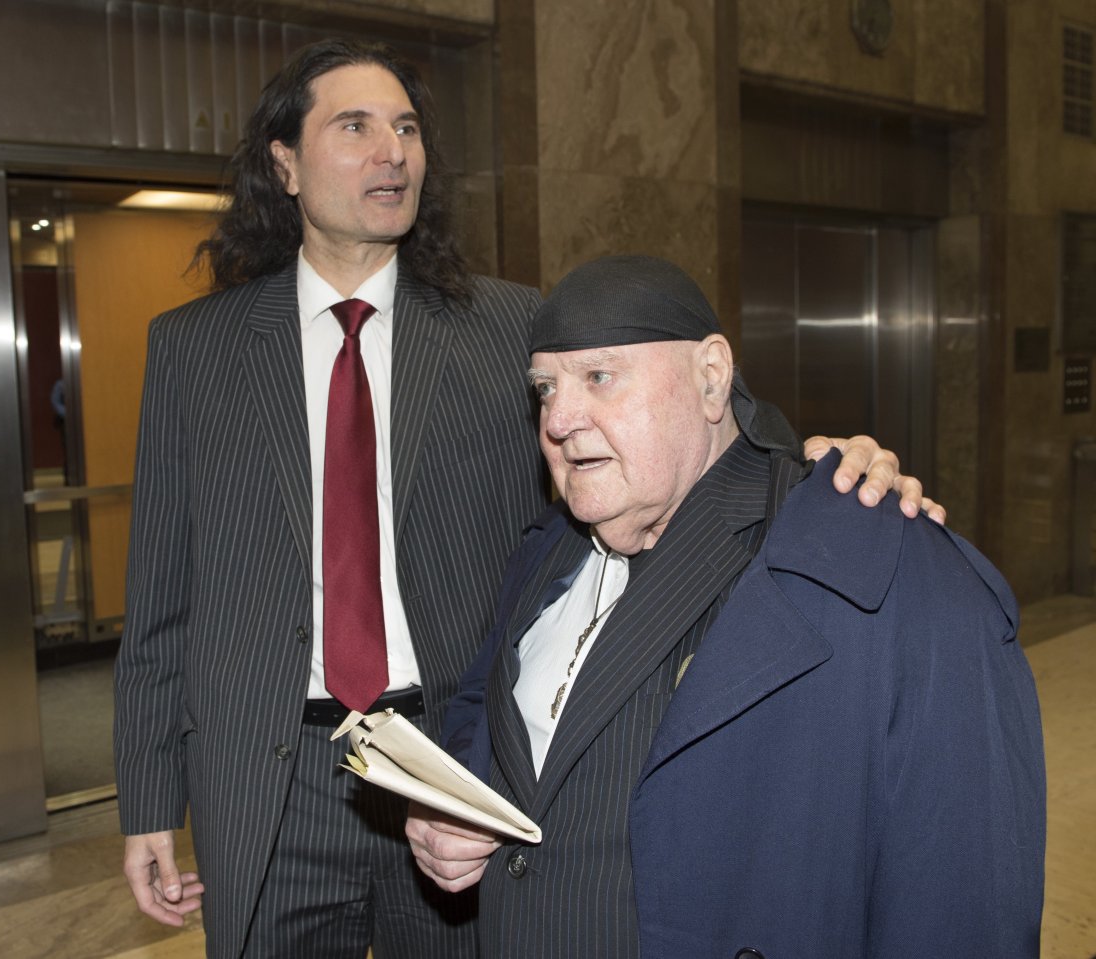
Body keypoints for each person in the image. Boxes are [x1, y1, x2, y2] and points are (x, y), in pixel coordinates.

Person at [113, 37, 937, 959]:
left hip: (452, 767)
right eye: (356, 126)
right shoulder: (197, 348)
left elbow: (658, 428)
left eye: (409, 128)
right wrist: (148, 800)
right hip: (265, 769)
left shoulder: (506, 325)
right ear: (286, 163)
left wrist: (823, 462)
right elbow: (160, 596)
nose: (394, 151)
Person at [408, 256, 1046, 959]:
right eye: (544, 389)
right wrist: (453, 801)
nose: (557, 418)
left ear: (711, 376)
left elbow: (961, 904)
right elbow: (482, 703)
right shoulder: (545, 550)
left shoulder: (887, 569)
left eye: (599, 377)